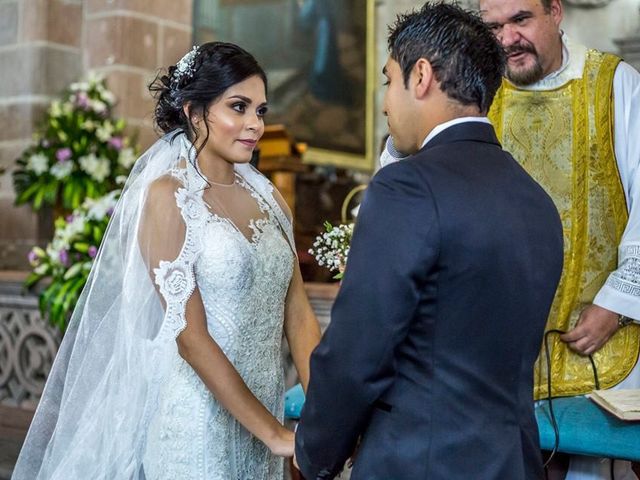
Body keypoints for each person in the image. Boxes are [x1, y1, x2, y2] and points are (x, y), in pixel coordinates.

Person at [12, 42, 321, 479]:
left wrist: (328, 421)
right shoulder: (167, 197)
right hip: (197, 424)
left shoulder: (270, 199)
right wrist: (273, 433)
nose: (255, 124)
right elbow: (189, 336)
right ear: (195, 113)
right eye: (239, 107)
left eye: (261, 110)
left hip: (265, 413)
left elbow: (300, 314)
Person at [294, 4, 564, 479]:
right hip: (513, 463)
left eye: (388, 80)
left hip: (418, 461)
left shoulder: (408, 187)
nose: (384, 103)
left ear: (421, 76)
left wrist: (314, 454)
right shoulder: (537, 201)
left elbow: (358, 354)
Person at [478, 1, 640, 478]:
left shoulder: (615, 85)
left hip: (598, 334)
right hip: (497, 344)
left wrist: (617, 302)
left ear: (555, 12)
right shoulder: (477, 92)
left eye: (521, 19)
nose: (507, 39)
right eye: (494, 27)